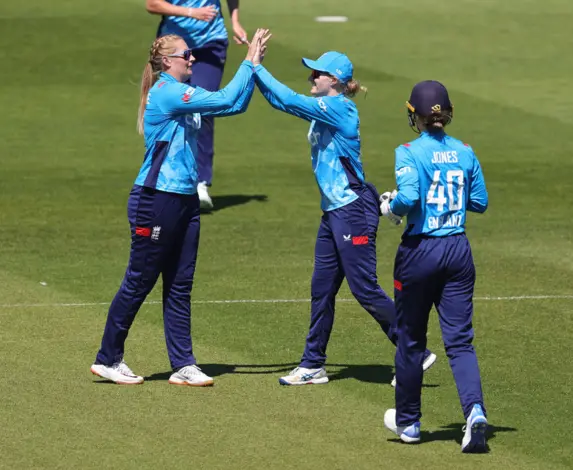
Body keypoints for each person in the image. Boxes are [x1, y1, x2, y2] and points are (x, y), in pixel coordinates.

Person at [90, 30, 269, 386]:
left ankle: (183, 364)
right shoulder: (169, 92)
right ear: (167, 61)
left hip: (184, 199)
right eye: (186, 54)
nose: (192, 59)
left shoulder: (183, 94)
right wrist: (248, 62)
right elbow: (225, 98)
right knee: (139, 280)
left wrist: (254, 68)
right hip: (155, 199)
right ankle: (108, 358)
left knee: (179, 284)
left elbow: (233, 104)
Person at [252, 52, 435, 386]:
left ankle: (416, 352)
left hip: (353, 209)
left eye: (316, 74)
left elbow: (288, 100)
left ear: (333, 80)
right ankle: (313, 364)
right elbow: (283, 102)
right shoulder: (325, 107)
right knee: (321, 288)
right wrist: (253, 72)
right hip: (334, 210)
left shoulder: (340, 108)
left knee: (364, 288)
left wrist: (256, 68)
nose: (311, 79)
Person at [380, 80, 489, 452]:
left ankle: (408, 423)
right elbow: (479, 202)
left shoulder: (408, 151)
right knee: (460, 341)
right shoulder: (465, 151)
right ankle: (474, 412)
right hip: (458, 249)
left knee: (411, 339)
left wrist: (390, 209)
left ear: (416, 115)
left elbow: (408, 197)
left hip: (420, 251)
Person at [145, 1, 248, 211]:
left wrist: (235, 21)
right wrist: (191, 12)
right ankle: (164, 177)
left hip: (212, 42)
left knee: (204, 108)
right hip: (174, 47)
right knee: (170, 112)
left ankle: (200, 182)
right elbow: (152, 4)